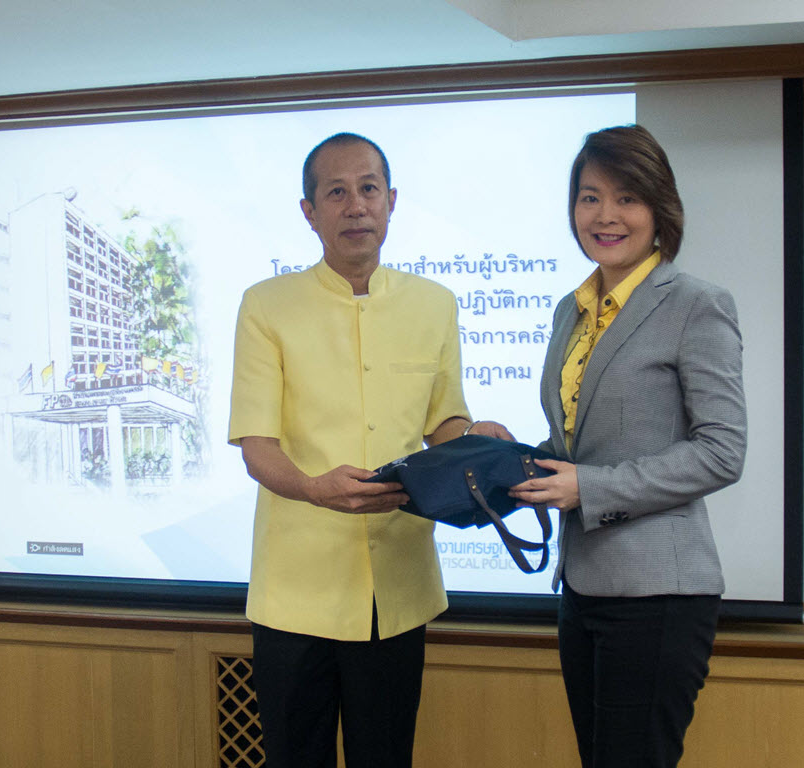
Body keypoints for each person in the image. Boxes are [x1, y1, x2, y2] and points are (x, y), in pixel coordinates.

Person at [228, 132, 510, 768]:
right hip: (294, 592)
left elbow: (443, 423)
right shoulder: (266, 306)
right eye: (336, 192)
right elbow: (257, 448)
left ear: (391, 201)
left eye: (368, 189)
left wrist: (475, 440)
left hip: (398, 586)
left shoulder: (433, 304)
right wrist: (313, 489)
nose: (355, 205)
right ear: (309, 211)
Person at [509, 125, 747, 768]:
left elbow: (722, 450)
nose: (605, 215)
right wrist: (511, 456)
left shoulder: (696, 305)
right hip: (583, 587)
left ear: (659, 209)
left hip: (658, 595)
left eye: (627, 198)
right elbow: (581, 443)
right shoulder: (570, 311)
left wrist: (588, 488)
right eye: (590, 197)